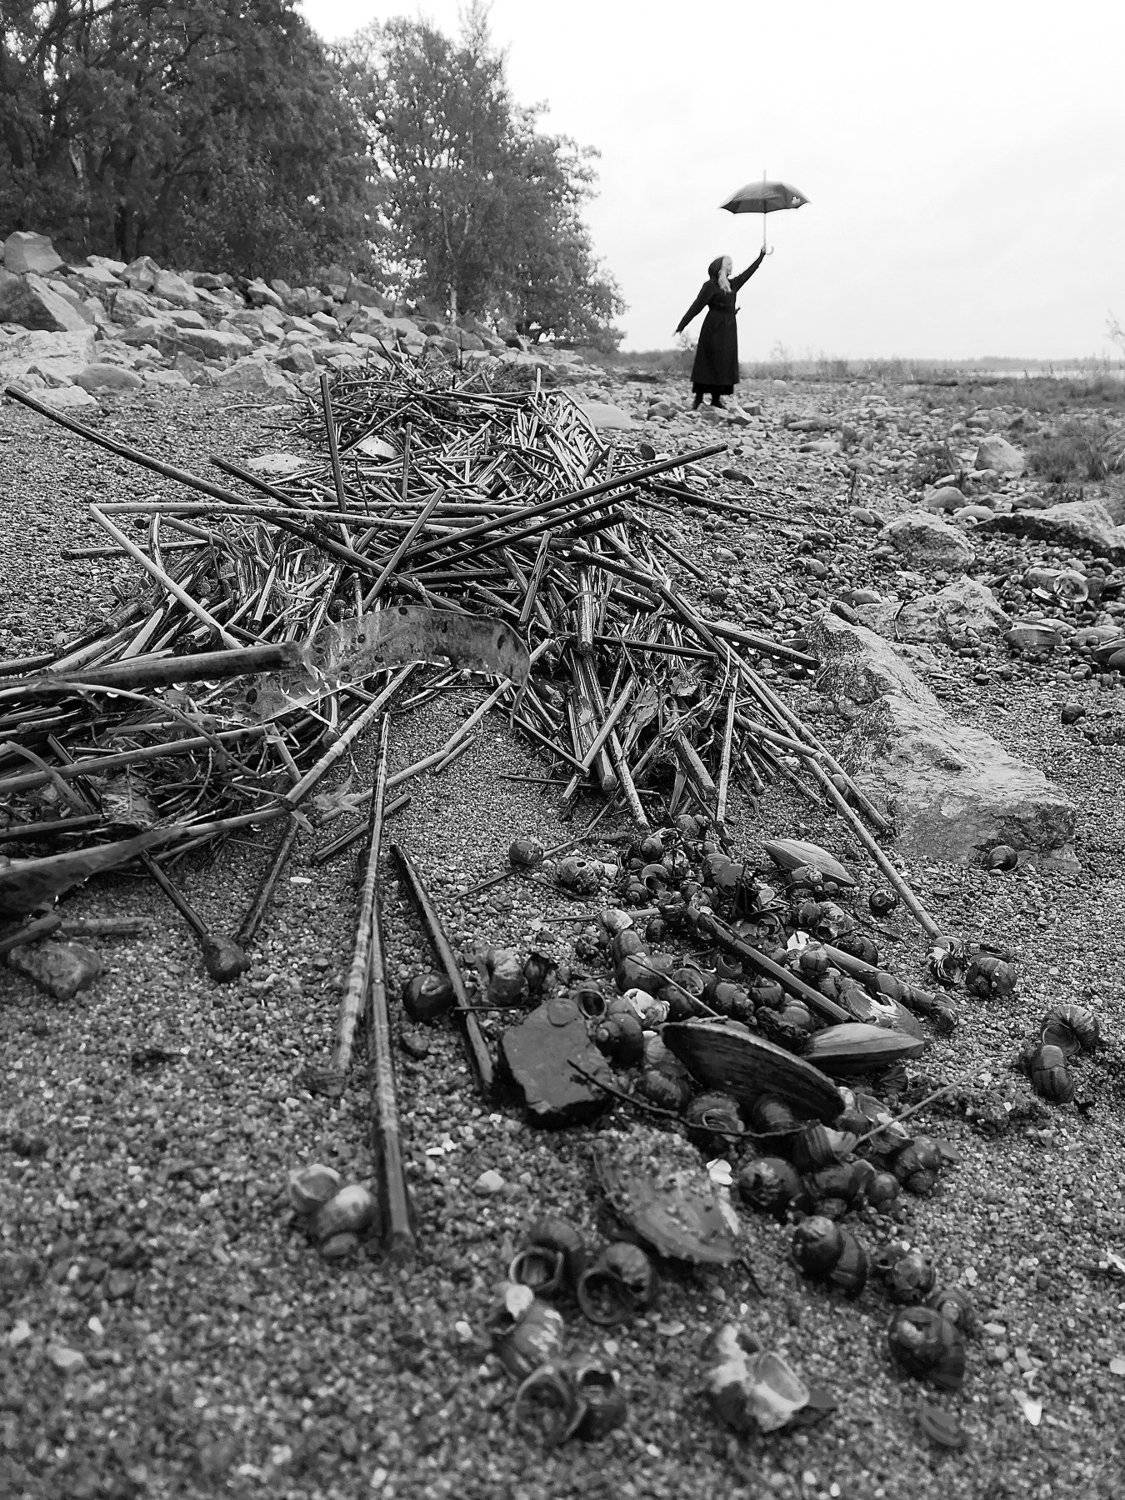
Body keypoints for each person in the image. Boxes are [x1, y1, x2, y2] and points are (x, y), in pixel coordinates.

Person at [675, 249, 767, 410]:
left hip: (728, 329)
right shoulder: (710, 286)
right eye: (728, 264)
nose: (732, 267)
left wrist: (761, 256)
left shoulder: (733, 284)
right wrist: (682, 325)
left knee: (723, 362)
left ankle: (716, 399)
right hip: (713, 327)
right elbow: (696, 306)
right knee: (707, 361)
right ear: (720, 268)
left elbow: (748, 273)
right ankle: (698, 398)